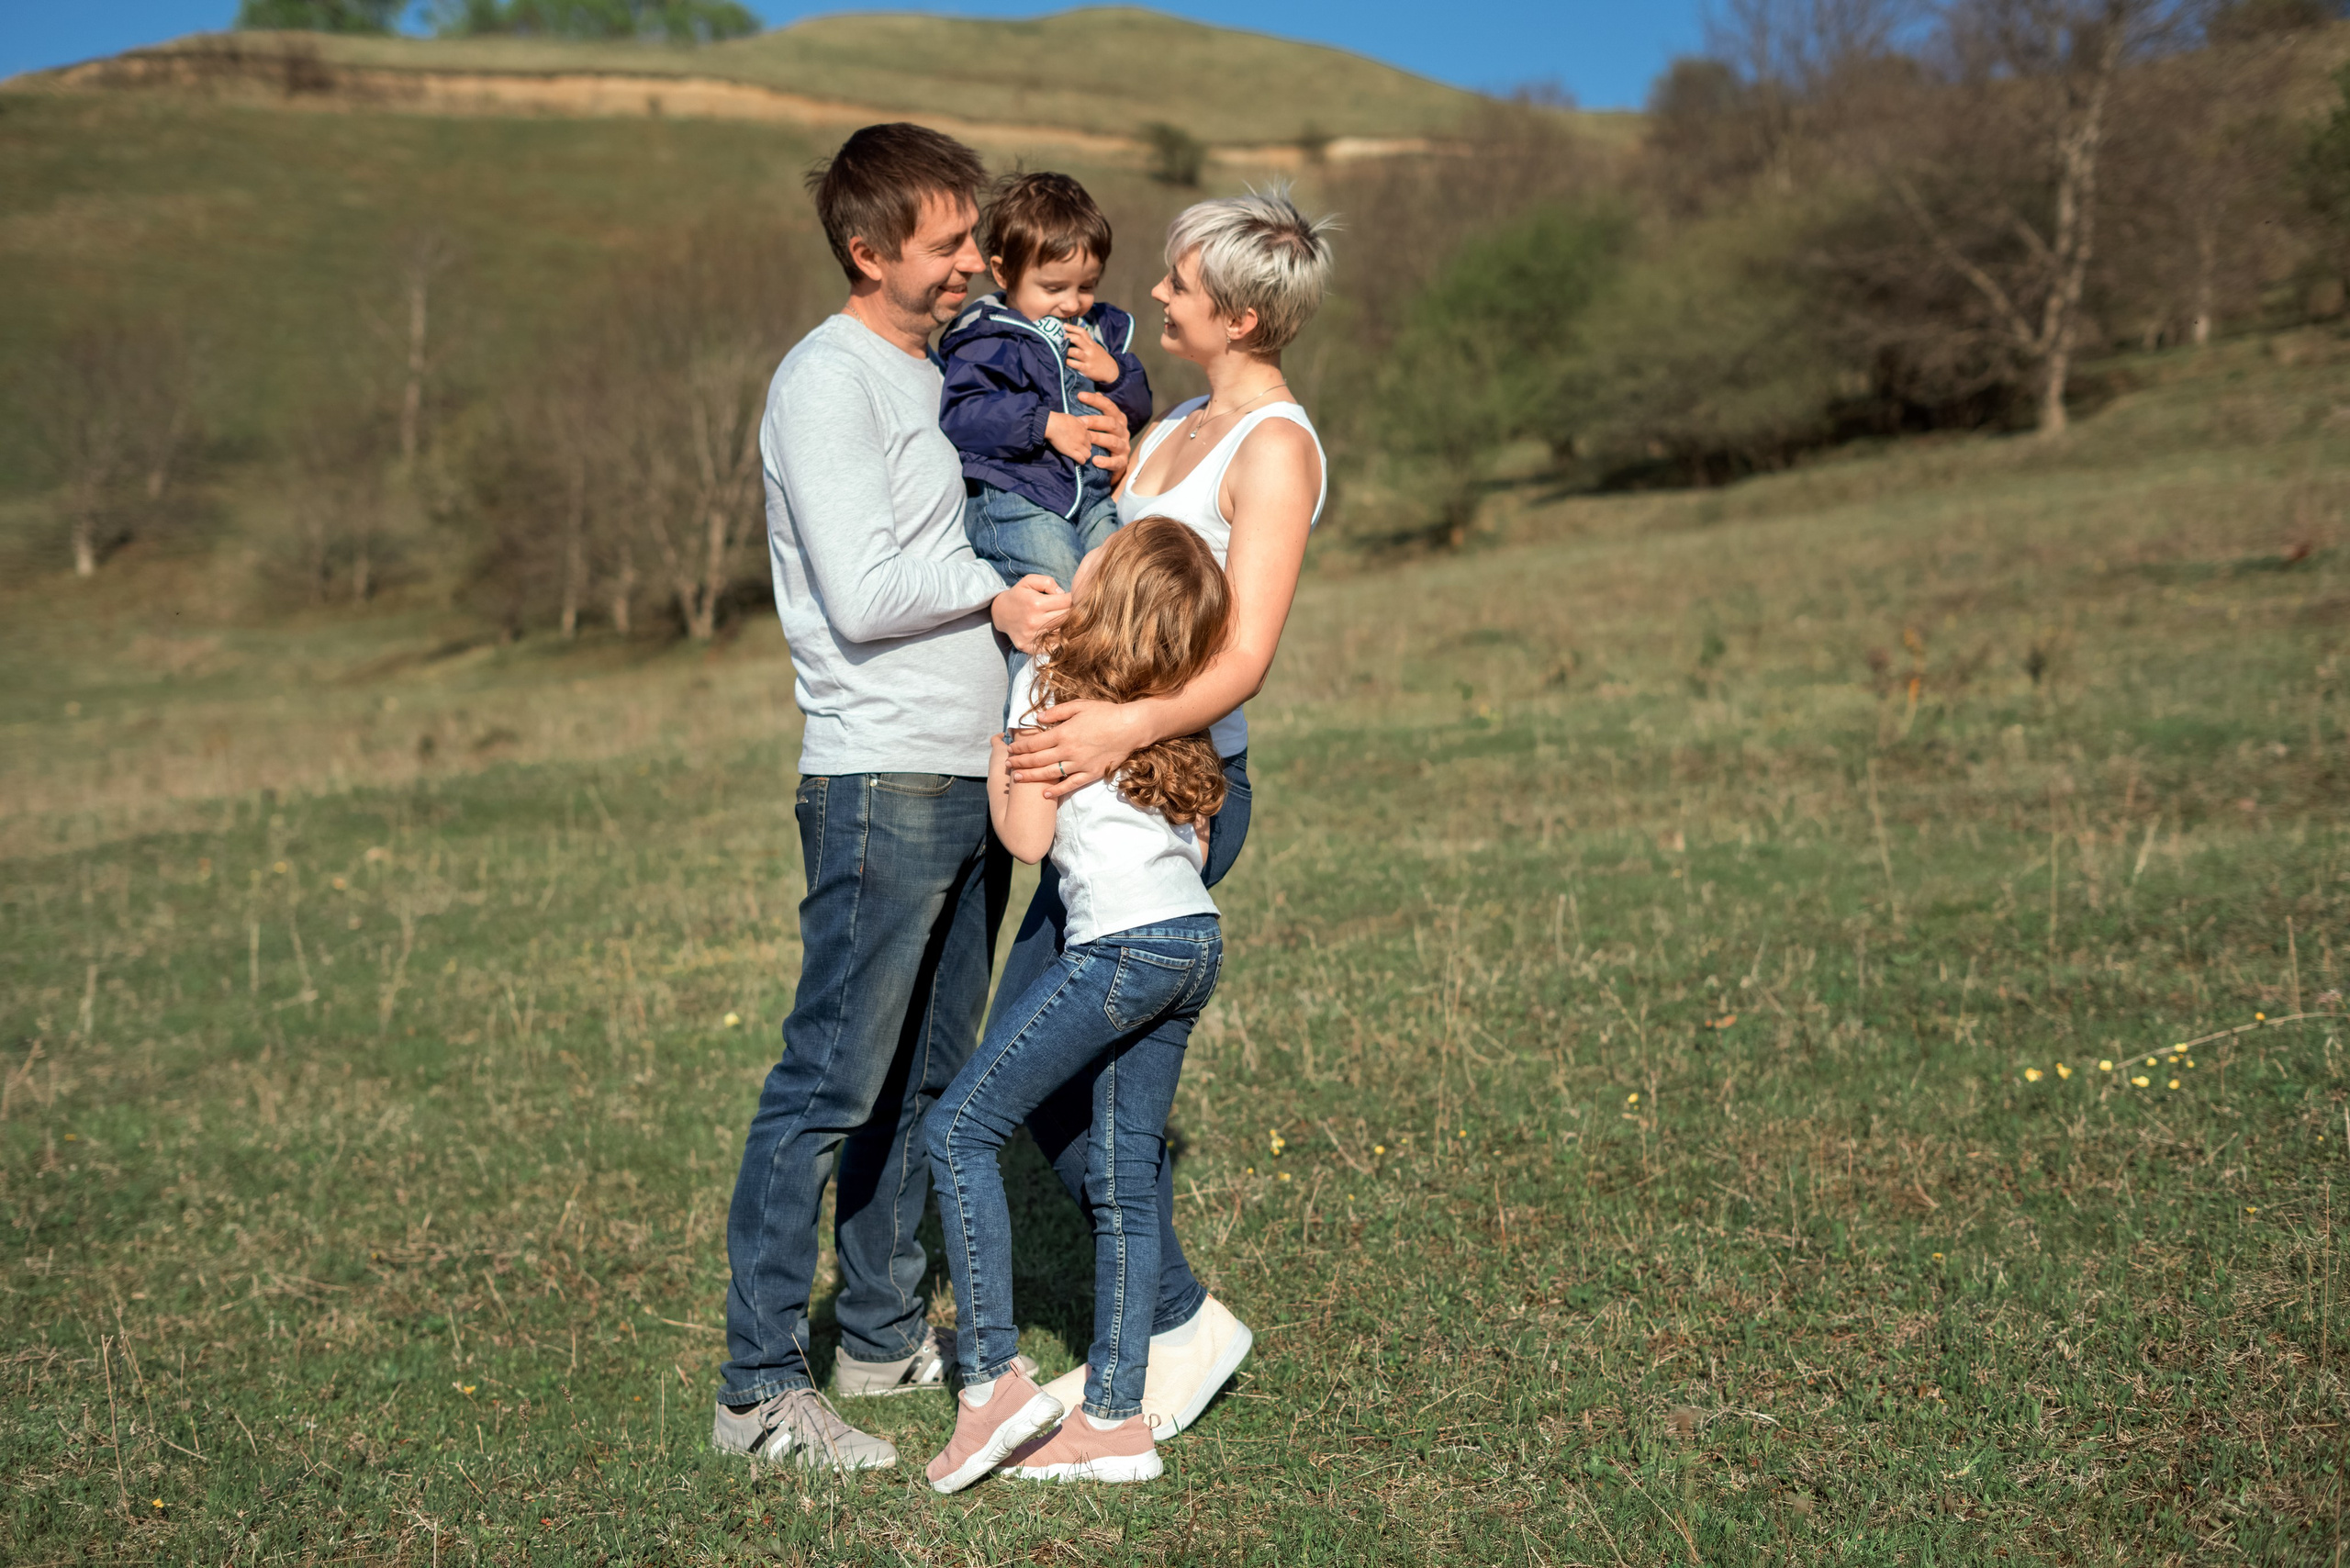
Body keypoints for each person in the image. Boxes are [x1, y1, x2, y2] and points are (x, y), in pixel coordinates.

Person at [710, 123, 1131, 1473]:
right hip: (879, 775)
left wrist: (1091, 451)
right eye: (948, 245)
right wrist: (995, 584)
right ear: (868, 249)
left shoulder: (941, 369)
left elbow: (1013, 481)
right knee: (831, 1081)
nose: (970, 265)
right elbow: (865, 589)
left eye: (969, 242)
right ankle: (759, 1391)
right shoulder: (825, 382)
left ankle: (885, 1337)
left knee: (928, 1078)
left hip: (974, 769)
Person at [999, 187, 1337, 1438]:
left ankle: (1171, 1321)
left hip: (1177, 786)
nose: (1159, 294)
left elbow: (1244, 654)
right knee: (1047, 1081)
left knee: (1037, 1082)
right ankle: (1171, 1317)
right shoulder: (1179, 424)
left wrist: (1117, 731)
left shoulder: (1276, 449)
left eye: (1181, 285)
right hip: (1099, 776)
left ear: (1241, 316)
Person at [923, 519, 1232, 1493]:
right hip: (1194, 941)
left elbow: (1023, 838)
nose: (1087, 545)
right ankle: (1112, 1423)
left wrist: (997, 746)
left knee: (958, 1131)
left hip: (1120, 948)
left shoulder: (1052, 679)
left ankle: (989, 1385)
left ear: (1112, 592)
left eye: (1106, 547)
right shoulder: (1168, 707)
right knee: (1122, 1176)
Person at [941, 171, 1154, 595]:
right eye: (1054, 287)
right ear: (1003, 274)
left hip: (1093, 500)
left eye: (1087, 286)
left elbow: (1138, 410)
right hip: (1020, 500)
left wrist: (1113, 372)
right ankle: (1048, 665)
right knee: (1060, 594)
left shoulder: (1098, 331)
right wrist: (1045, 424)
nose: (1072, 303)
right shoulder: (989, 337)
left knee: (1122, 593)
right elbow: (963, 415)